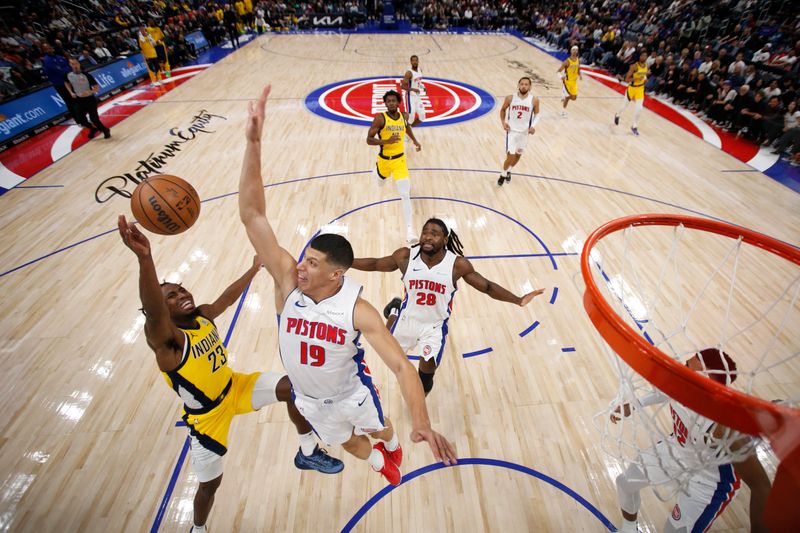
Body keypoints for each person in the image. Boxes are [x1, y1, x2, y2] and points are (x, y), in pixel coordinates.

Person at [239, 86, 457, 487]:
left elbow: (402, 367)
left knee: (381, 429)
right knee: (351, 446)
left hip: (351, 394)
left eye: (313, 264)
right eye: (304, 259)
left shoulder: (357, 309)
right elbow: (253, 216)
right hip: (309, 400)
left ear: (336, 274)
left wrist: (422, 422)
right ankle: (379, 459)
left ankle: (389, 445)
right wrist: (253, 144)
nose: (301, 268)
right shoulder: (288, 283)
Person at [117, 216, 344, 533]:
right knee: (210, 485)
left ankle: (307, 451)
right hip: (207, 416)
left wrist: (252, 271)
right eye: (171, 296)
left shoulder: (201, 316)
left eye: (181, 288)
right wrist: (145, 258)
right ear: (161, 310)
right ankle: (198, 527)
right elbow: (153, 309)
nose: (182, 294)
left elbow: (226, 298)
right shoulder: (167, 342)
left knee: (292, 388)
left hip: (234, 386)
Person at [351, 218, 544, 396]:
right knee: (389, 355)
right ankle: (394, 310)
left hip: (433, 326)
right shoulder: (405, 257)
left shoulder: (457, 265)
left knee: (427, 371)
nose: (427, 236)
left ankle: (421, 396)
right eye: (425, 231)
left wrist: (518, 299)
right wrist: (347, 262)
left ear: (445, 239)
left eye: (434, 233)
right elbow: (376, 263)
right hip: (407, 319)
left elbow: (487, 287)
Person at [612, 349, 771, 533]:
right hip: (676, 450)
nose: (683, 371)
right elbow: (666, 391)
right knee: (625, 483)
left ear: (708, 385)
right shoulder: (682, 383)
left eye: (690, 370)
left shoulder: (725, 427)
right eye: (687, 364)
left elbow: (762, 486)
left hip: (709, 480)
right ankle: (629, 528)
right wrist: (632, 405)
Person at [367, 89, 423, 245]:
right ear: (385, 103)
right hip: (384, 160)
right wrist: (386, 141)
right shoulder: (380, 119)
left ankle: (410, 229)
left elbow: (407, 127)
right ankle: (376, 172)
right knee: (380, 182)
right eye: (388, 101)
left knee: (405, 194)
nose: (391, 103)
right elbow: (369, 139)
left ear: (398, 102)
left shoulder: (404, 116)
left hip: (400, 161)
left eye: (394, 100)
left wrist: (415, 141)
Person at [498, 76, 539, 186]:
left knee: (518, 155)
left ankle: (509, 170)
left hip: (524, 133)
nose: (524, 86)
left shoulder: (534, 100)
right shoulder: (510, 98)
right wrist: (503, 122)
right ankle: (503, 174)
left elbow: (537, 114)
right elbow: (502, 110)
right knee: (510, 156)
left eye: (526, 84)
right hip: (512, 131)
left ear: (530, 86)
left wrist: (533, 126)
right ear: (518, 85)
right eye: (522, 84)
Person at [41, 43, 88, 128]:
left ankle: (83, 118)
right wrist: (68, 70)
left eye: (50, 48)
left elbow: (69, 66)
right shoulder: (47, 60)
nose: (50, 50)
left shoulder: (59, 57)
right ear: (44, 51)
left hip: (70, 81)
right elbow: (60, 71)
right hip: (61, 84)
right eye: (47, 49)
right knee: (71, 102)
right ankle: (79, 121)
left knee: (77, 100)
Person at [64, 58, 110, 139]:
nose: (75, 66)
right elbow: (66, 83)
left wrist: (89, 92)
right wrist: (71, 92)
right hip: (79, 100)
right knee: (80, 120)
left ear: (79, 64)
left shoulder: (86, 75)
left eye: (76, 63)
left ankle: (105, 130)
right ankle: (93, 129)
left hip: (90, 100)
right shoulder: (68, 75)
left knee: (94, 119)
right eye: (72, 64)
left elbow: (96, 88)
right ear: (70, 65)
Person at [615, 51, 649, 136]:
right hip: (632, 88)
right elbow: (627, 79)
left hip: (640, 89)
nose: (644, 57)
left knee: (639, 108)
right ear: (640, 56)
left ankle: (634, 126)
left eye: (645, 56)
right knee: (623, 106)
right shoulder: (634, 66)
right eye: (642, 55)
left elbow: (644, 75)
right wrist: (636, 79)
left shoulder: (646, 66)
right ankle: (617, 114)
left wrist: (645, 79)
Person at [558, 45, 582, 117]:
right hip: (567, 82)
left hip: (574, 82)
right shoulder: (567, 61)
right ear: (571, 51)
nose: (575, 51)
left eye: (576, 50)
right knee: (568, 97)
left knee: (574, 98)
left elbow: (578, 68)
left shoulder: (578, 60)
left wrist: (580, 74)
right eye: (573, 50)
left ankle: (564, 95)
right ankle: (563, 111)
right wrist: (561, 77)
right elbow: (558, 71)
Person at [401, 54, 425, 126]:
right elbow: (402, 86)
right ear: (411, 62)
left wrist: (423, 87)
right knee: (411, 118)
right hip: (410, 96)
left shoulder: (420, 70)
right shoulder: (409, 73)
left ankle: (410, 129)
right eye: (413, 61)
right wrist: (413, 89)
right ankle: (406, 131)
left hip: (417, 96)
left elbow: (418, 82)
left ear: (418, 61)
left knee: (422, 116)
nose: (415, 62)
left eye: (416, 60)